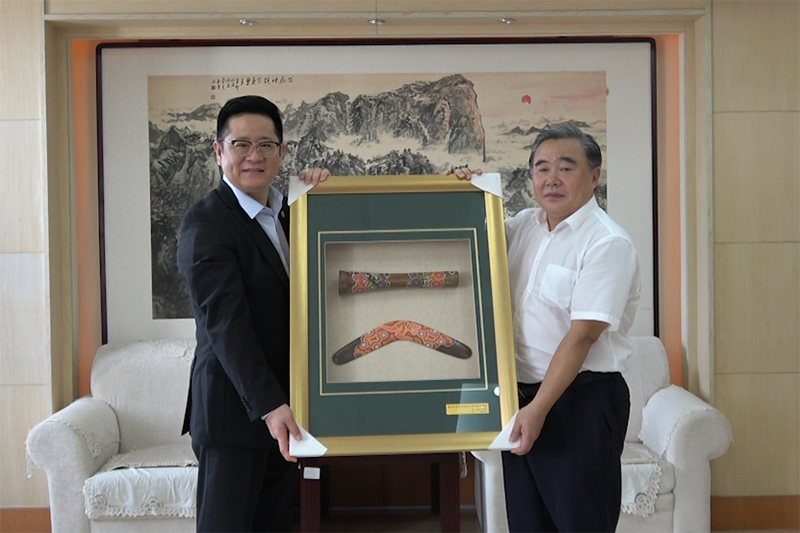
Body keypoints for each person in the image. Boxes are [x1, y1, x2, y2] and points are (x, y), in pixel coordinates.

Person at [452, 124, 641, 532]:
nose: (551, 178)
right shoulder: (524, 226)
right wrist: (464, 190)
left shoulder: (607, 243)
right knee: (528, 523)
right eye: (542, 168)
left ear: (594, 175)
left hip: (580, 403)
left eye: (566, 167)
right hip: (521, 401)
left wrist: (538, 410)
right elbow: (467, 235)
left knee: (580, 524)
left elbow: (583, 336)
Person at [177, 94, 329, 533]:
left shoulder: (289, 214)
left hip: (286, 412)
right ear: (218, 151)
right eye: (241, 144)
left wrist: (324, 195)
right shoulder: (207, 224)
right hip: (236, 416)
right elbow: (227, 326)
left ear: (282, 151)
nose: (254, 156)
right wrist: (270, 406)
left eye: (265, 145)